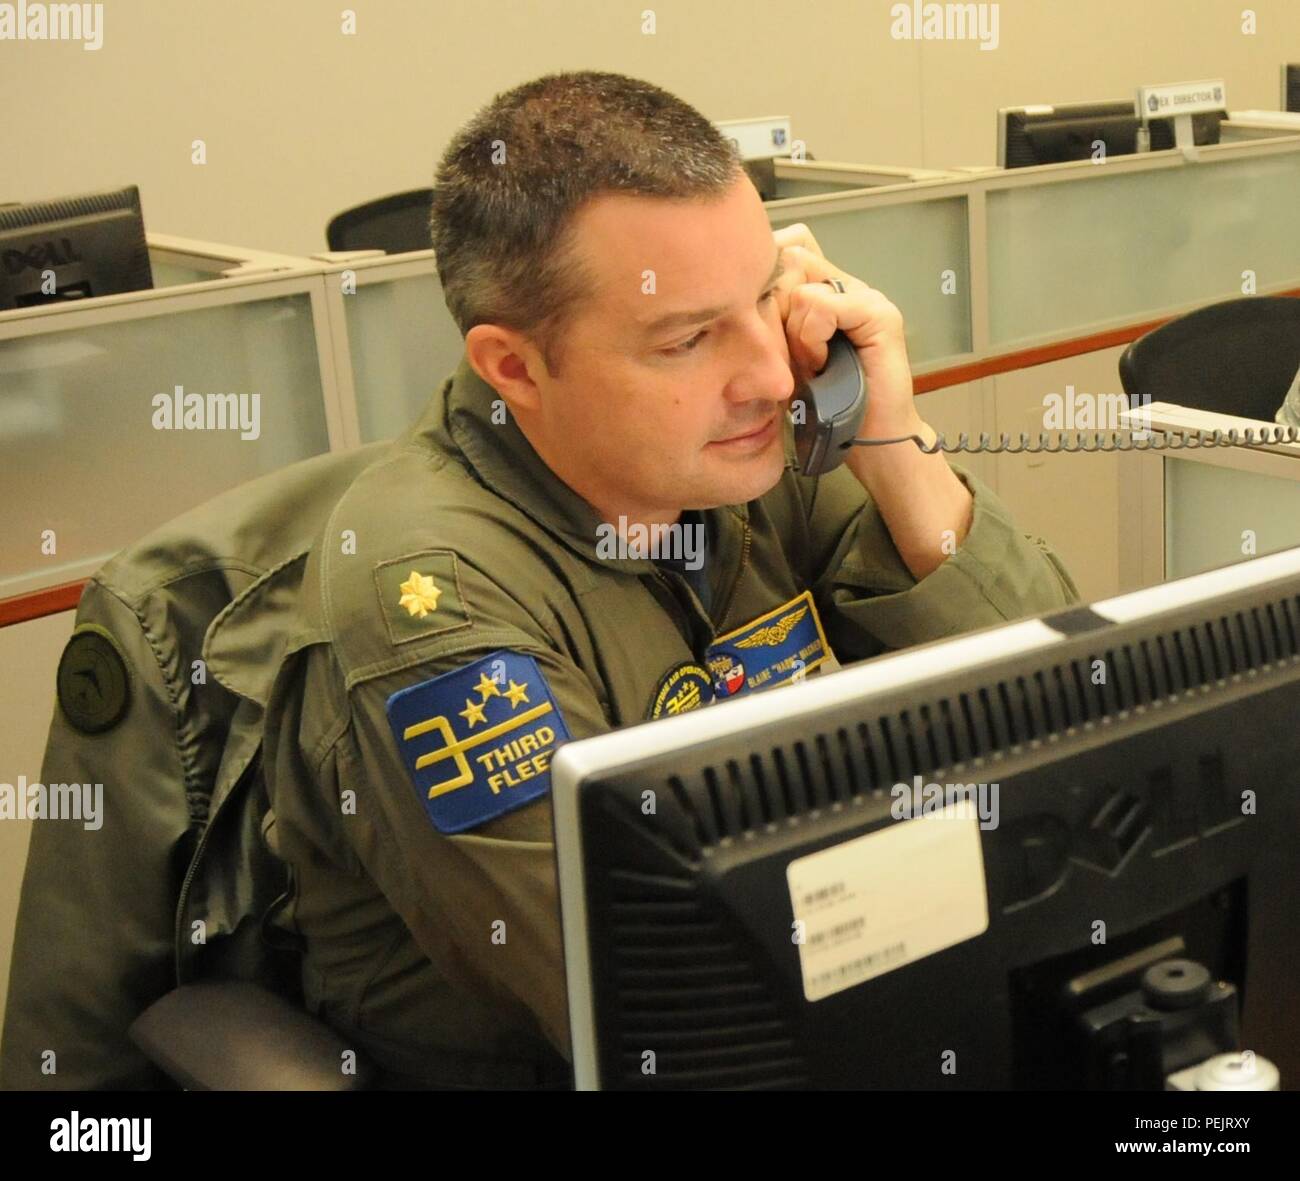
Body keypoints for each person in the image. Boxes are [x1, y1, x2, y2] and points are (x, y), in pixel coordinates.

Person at [257, 69, 1081, 1088]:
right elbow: (661, 991)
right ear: (513, 368)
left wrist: (888, 441)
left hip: (870, 999)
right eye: (686, 338)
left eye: (764, 303)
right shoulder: (430, 599)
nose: (774, 378)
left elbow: (1084, 715)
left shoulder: (747, 457)